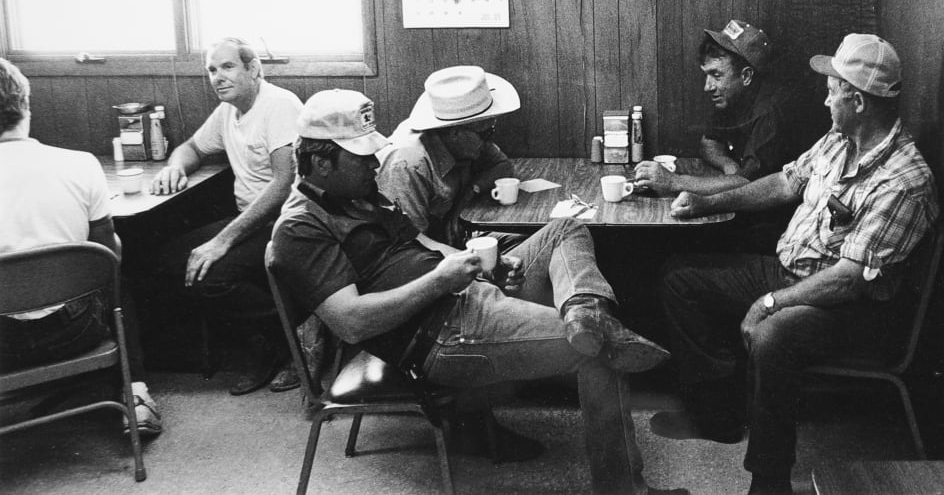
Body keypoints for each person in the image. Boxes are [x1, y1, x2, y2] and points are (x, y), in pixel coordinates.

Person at [270, 88, 687, 495]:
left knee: (565, 228)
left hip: (463, 293)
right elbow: (351, 322)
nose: (374, 164)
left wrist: (478, 265)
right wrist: (442, 280)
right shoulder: (301, 228)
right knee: (600, 349)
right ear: (321, 163)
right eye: (361, 157)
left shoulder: (359, 194)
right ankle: (623, 489)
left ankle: (583, 308)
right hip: (442, 333)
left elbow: (423, 244)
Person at [653, 34, 938, 495]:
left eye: (833, 89)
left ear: (859, 101)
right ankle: (723, 414)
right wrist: (708, 203)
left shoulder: (904, 181)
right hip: (793, 274)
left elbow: (848, 282)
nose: (826, 98)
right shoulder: (839, 141)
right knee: (680, 277)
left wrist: (768, 302)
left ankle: (769, 481)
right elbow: (783, 185)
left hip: (849, 309)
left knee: (773, 333)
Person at [0, 58, 162, 436]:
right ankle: (135, 395)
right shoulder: (80, 165)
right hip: (74, 329)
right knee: (118, 277)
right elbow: (109, 260)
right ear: (25, 105)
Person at [149, 37, 304, 394]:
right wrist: (174, 168)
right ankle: (273, 339)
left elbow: (283, 185)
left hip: (286, 222)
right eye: (212, 70)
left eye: (228, 67)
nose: (218, 77)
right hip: (249, 220)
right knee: (167, 261)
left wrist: (220, 242)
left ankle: (285, 343)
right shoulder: (228, 110)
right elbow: (192, 147)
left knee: (210, 274)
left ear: (253, 69)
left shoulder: (279, 105)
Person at [632, 20, 804, 253]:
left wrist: (673, 182)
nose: (707, 87)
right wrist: (729, 165)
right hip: (740, 212)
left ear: (745, 76)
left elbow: (748, 185)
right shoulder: (735, 97)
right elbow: (709, 142)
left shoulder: (771, 112)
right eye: (706, 75)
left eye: (715, 75)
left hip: (770, 232)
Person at [376, 65, 523, 250]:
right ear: (455, 132)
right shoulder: (407, 164)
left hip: (452, 241)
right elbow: (409, 246)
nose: (490, 140)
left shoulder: (468, 138)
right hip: (420, 257)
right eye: (486, 133)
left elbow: (502, 165)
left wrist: (467, 195)